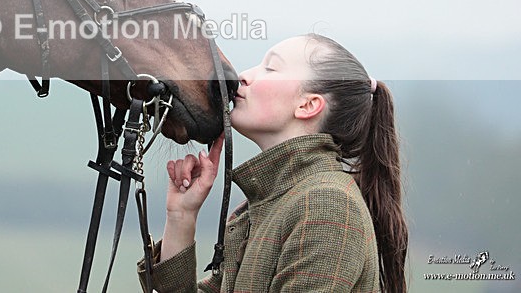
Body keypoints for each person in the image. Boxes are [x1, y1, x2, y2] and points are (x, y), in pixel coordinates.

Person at [138, 34, 408, 292]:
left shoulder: (327, 205)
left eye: (271, 68)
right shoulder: (275, 202)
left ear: (308, 105)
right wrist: (181, 218)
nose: (244, 76)